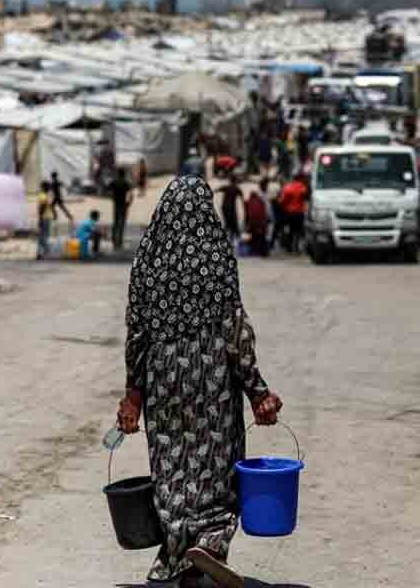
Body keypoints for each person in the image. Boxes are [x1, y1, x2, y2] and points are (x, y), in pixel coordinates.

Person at [117, 175, 283, 588]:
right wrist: (256, 389)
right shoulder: (216, 256)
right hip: (212, 381)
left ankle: (177, 552)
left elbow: (136, 333)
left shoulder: (147, 262)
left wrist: (133, 394)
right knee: (218, 464)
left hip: (163, 380)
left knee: (172, 466)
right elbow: (234, 329)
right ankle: (209, 542)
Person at [278, 173, 309, 253]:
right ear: (300, 179)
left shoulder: (288, 187)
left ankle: (289, 247)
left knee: (290, 230)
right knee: (298, 231)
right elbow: (305, 198)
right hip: (299, 212)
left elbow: (282, 201)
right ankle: (297, 247)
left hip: (289, 212)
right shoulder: (303, 187)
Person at [109, 168, 134, 251]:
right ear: (124, 174)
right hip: (123, 205)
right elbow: (131, 193)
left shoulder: (114, 182)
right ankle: (119, 241)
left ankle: (114, 240)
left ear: (117, 173)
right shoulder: (126, 183)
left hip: (116, 204)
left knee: (115, 222)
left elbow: (107, 190)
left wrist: (112, 197)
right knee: (122, 223)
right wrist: (129, 202)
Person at [244, 186, 270, 257]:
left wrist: (247, 225)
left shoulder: (248, 202)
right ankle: (263, 251)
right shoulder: (261, 201)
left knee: (254, 235)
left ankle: (255, 250)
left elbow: (247, 215)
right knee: (261, 236)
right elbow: (265, 212)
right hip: (262, 223)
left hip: (254, 223)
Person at [220, 172, 243, 245]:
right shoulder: (236, 188)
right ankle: (236, 241)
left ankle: (225, 240)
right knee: (233, 225)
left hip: (224, 208)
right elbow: (242, 197)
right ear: (235, 181)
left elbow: (217, 189)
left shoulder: (226, 187)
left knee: (228, 225)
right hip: (231, 209)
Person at [36, 182, 54, 260]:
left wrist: (40, 219)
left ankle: (43, 252)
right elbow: (43, 208)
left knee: (42, 236)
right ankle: (43, 252)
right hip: (46, 218)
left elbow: (42, 208)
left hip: (44, 218)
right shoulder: (45, 196)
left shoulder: (43, 196)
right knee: (43, 236)